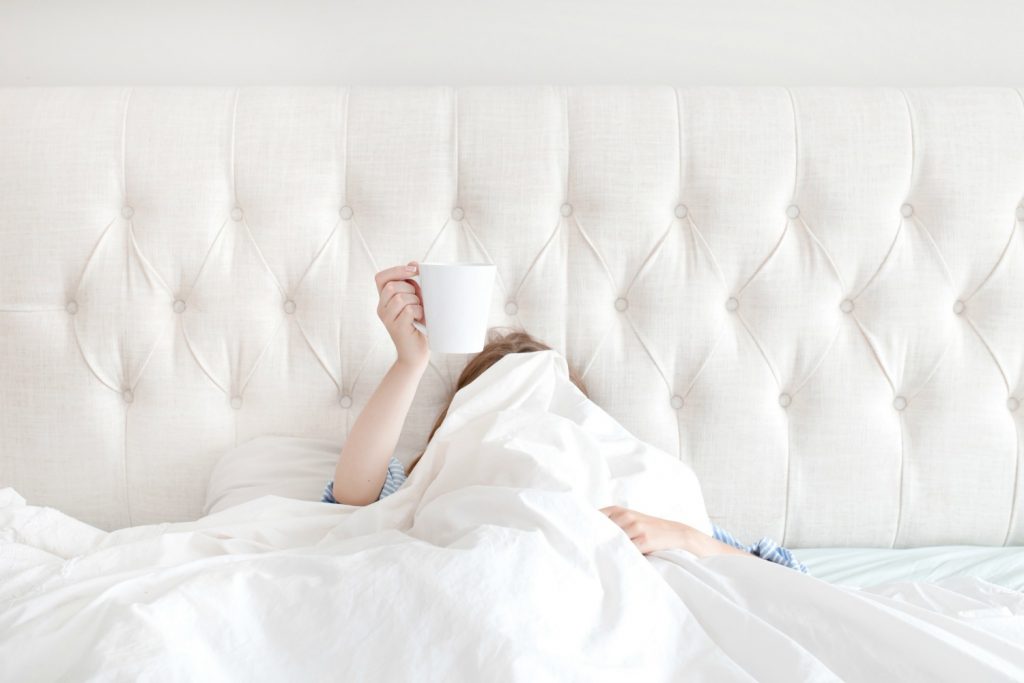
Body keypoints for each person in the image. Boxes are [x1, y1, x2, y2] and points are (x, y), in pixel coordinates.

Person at [321, 261, 808, 574]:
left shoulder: (629, 472)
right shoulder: (447, 465)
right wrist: (410, 361)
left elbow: (775, 577)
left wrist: (676, 534)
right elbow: (354, 495)